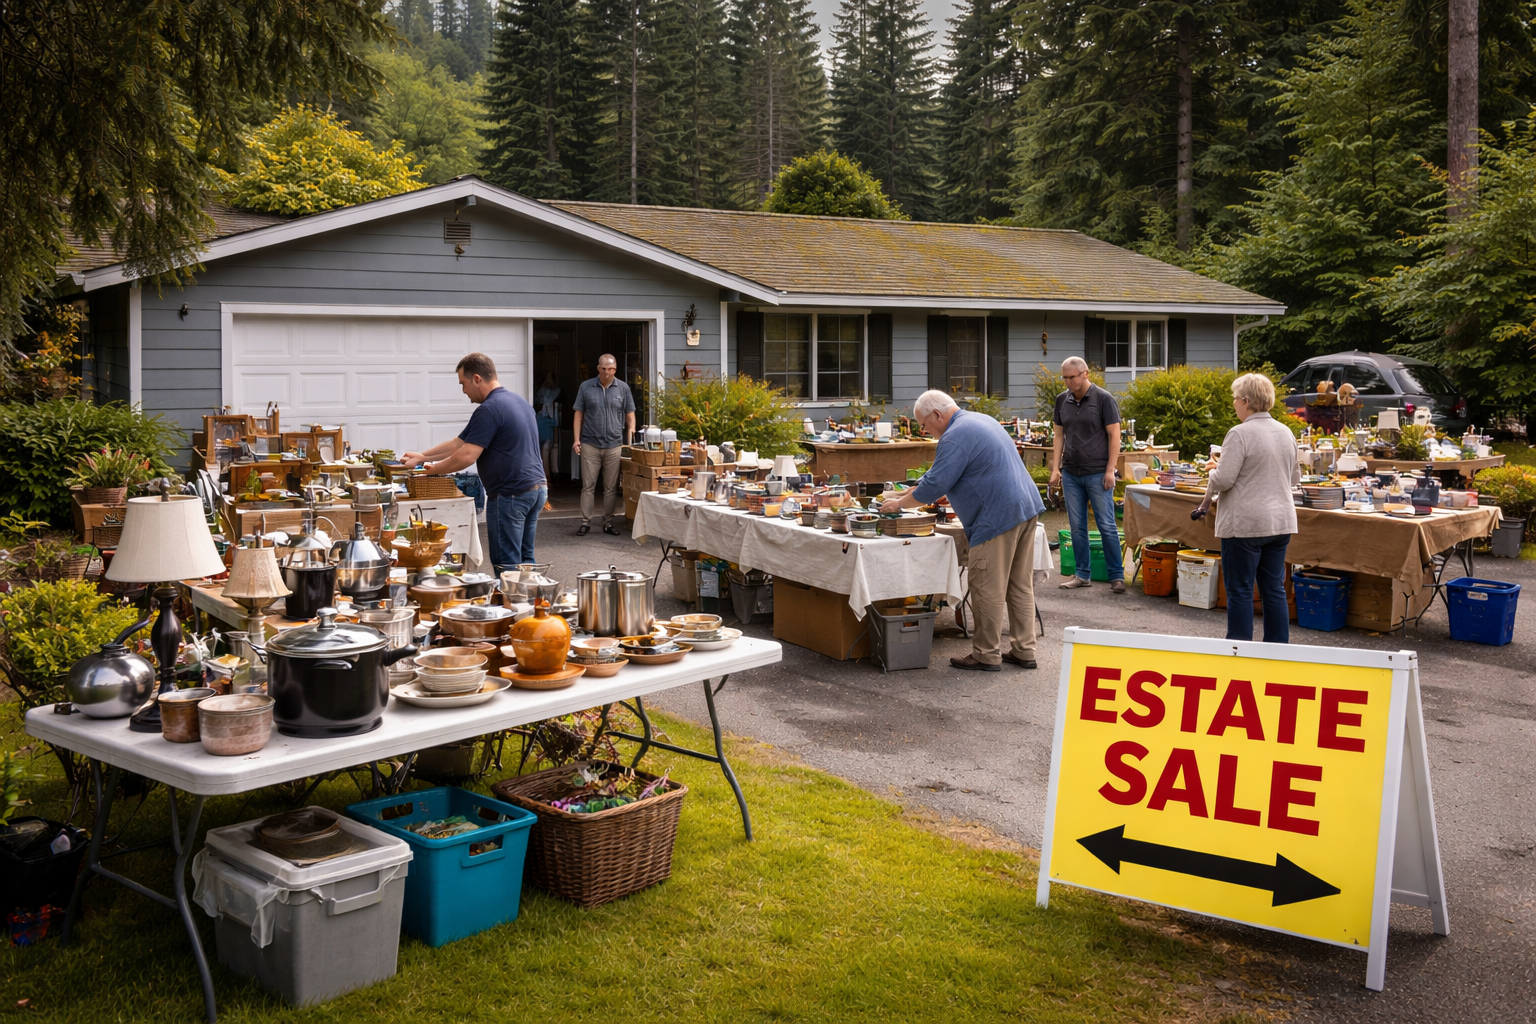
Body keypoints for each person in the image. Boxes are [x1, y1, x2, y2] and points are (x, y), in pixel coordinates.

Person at [881, 391, 1046, 672]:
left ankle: (986, 654)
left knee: (986, 588)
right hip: (1025, 509)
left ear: (937, 414)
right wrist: (913, 490)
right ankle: (1024, 650)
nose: (925, 431)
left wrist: (899, 504)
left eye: (924, 424)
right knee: (1019, 585)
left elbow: (935, 485)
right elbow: (941, 475)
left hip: (996, 517)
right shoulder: (978, 420)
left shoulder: (955, 435)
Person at [402, 353, 546, 575]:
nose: (463, 391)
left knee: (506, 565)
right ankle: (528, 605)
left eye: (463, 384)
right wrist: (422, 457)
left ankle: (511, 607)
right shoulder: (518, 402)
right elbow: (457, 444)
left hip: (511, 494)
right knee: (525, 560)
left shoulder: (489, 409)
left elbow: (466, 455)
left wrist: (432, 471)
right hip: (535, 490)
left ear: (477, 378)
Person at [1192, 373, 1301, 643]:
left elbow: (1225, 480)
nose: (1233, 404)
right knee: (1274, 589)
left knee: (1240, 590)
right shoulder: (1285, 432)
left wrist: (1213, 472)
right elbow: (1295, 478)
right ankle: (1277, 649)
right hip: (1280, 522)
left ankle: (1239, 651)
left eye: (1235, 399)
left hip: (1245, 525)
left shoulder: (1239, 433)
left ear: (1247, 401)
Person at [1050, 357, 1125, 593]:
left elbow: (1115, 436)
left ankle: (1117, 576)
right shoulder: (1062, 400)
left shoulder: (1104, 399)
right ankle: (1082, 575)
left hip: (1098, 473)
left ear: (1085, 374)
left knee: (1106, 525)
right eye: (1065, 377)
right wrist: (1056, 468)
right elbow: (1059, 435)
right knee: (1077, 526)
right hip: (1071, 473)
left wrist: (1110, 470)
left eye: (1072, 377)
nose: (1068, 381)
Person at [571, 353, 635, 536]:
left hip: (614, 444)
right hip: (590, 443)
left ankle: (608, 522)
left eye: (612, 369)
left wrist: (629, 444)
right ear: (598, 368)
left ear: (615, 369)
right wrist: (577, 439)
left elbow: (630, 416)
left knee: (611, 487)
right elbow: (578, 415)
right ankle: (585, 521)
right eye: (605, 369)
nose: (608, 373)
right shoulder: (586, 387)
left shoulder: (623, 388)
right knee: (588, 485)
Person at [535, 372, 560, 478]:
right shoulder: (548, 391)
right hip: (545, 420)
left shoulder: (557, 391)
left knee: (549, 446)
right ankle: (546, 475)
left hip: (550, 419)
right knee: (546, 447)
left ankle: (550, 473)